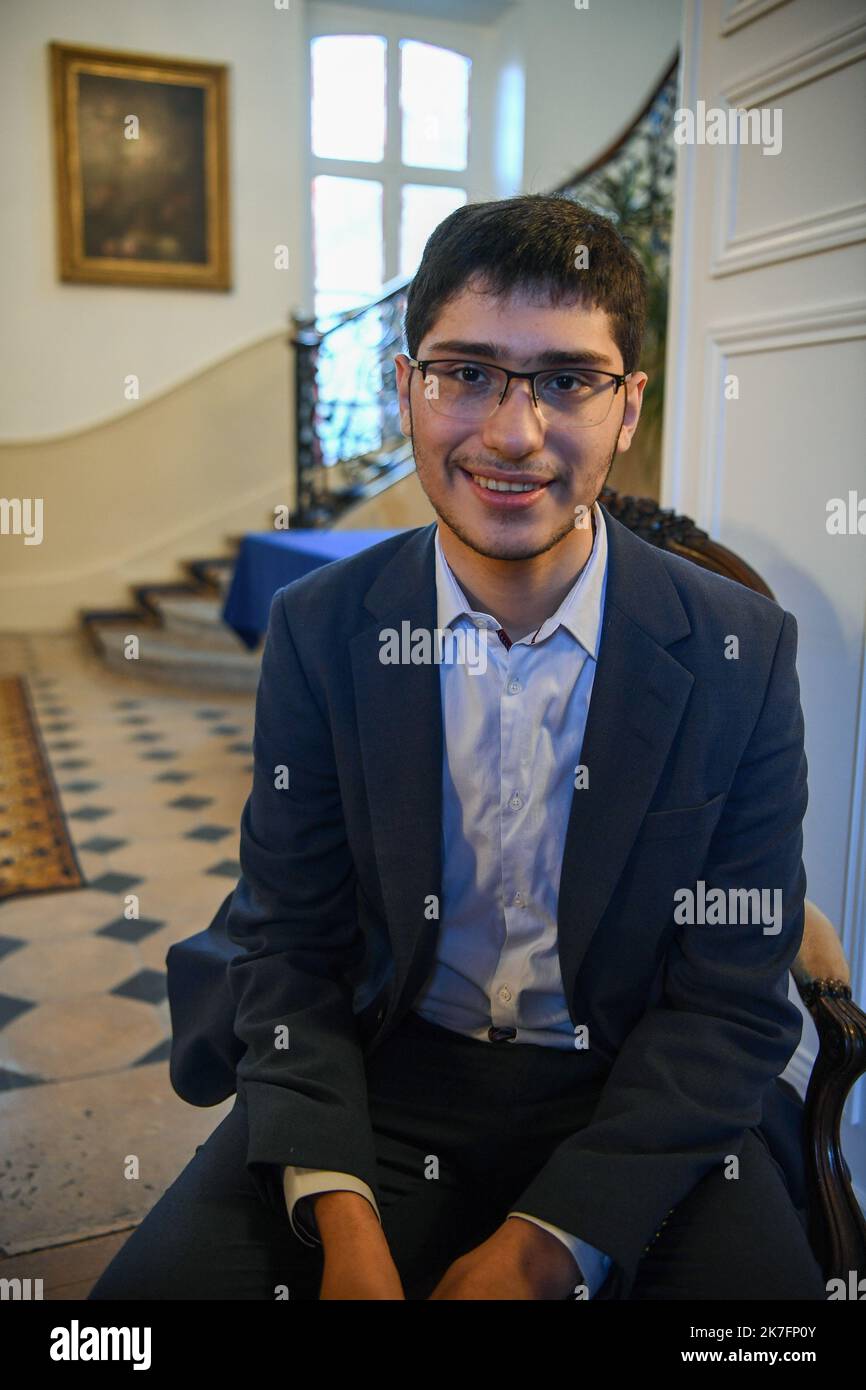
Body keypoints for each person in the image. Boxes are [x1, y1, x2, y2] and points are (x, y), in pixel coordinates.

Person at [89, 194, 826, 1301]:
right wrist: (341, 1223)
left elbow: (731, 1002)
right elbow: (286, 941)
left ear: (629, 407)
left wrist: (541, 1247)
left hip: (636, 1092)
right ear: (403, 388)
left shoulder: (742, 651)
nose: (511, 433)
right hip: (382, 1078)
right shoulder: (320, 626)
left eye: (568, 380)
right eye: (466, 371)